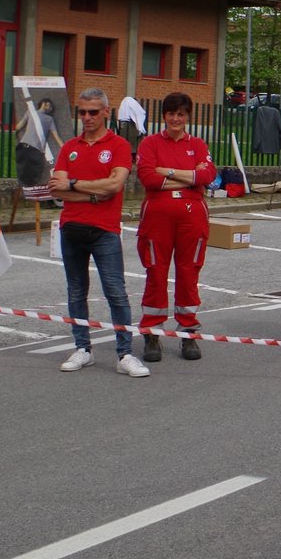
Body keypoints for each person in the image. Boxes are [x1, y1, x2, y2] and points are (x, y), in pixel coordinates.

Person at [49, 88, 145, 377]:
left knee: (116, 292)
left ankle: (124, 353)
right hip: (72, 228)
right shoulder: (69, 147)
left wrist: (75, 185)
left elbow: (115, 186)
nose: (87, 117)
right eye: (82, 112)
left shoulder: (117, 146)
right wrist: (93, 192)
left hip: (105, 231)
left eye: (93, 112)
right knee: (76, 291)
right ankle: (83, 349)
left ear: (106, 112)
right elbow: (58, 190)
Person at [134, 91, 214, 363]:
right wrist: (190, 178)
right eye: (171, 113)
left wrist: (165, 171)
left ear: (188, 116)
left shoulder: (199, 145)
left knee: (189, 270)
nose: (176, 119)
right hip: (157, 215)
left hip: (193, 216)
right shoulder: (150, 143)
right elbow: (147, 177)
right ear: (164, 116)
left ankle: (188, 331)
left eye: (181, 114)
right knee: (155, 271)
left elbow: (208, 176)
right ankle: (152, 332)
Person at [14, 96, 62, 186]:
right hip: (32, 149)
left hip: (27, 147)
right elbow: (19, 126)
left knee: (25, 173)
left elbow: (56, 136)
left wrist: (64, 147)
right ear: (44, 103)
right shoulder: (34, 113)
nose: (51, 109)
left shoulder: (48, 118)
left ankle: (24, 194)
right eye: (50, 106)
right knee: (29, 174)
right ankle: (23, 193)